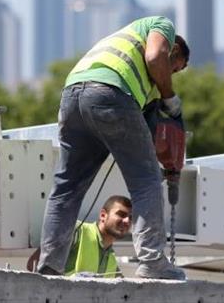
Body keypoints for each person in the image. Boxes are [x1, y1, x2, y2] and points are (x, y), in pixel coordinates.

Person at [36, 16, 190, 280]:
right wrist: (170, 97)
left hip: (72, 96)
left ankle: (50, 266)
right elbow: (156, 58)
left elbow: (147, 131)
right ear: (174, 49)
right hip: (110, 93)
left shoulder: (131, 61)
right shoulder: (162, 25)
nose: (172, 75)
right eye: (177, 68)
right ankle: (152, 262)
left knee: (67, 187)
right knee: (147, 180)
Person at [27, 195, 132, 277]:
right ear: (103, 215)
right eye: (121, 214)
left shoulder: (112, 261)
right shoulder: (76, 231)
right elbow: (34, 265)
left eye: (130, 217)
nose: (127, 221)